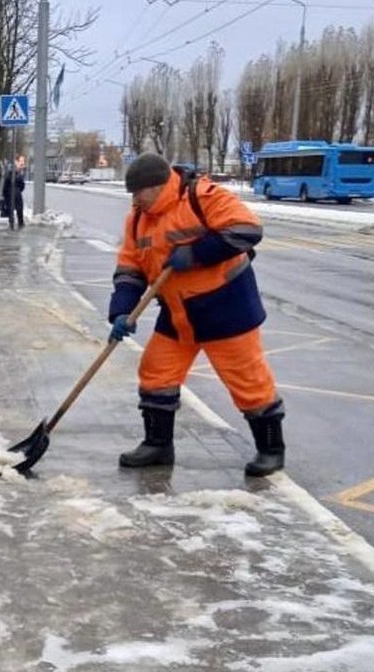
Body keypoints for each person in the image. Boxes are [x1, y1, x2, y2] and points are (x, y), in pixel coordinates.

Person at [108, 153, 285, 477]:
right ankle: (158, 444)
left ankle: (271, 449)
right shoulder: (138, 219)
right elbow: (130, 267)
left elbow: (247, 229)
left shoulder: (201, 196)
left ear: (158, 186)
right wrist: (121, 310)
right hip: (178, 313)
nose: (134, 200)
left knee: (248, 380)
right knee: (156, 372)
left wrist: (197, 253)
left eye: (138, 193)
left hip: (225, 308)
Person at [2, 155, 26, 230]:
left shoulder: (12, 174)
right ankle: (19, 224)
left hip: (12, 194)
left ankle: (13, 223)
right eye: (21, 161)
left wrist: (5, 194)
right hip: (15, 194)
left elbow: (5, 186)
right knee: (18, 210)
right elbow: (22, 185)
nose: (22, 163)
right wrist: (18, 190)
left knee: (13, 210)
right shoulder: (17, 174)